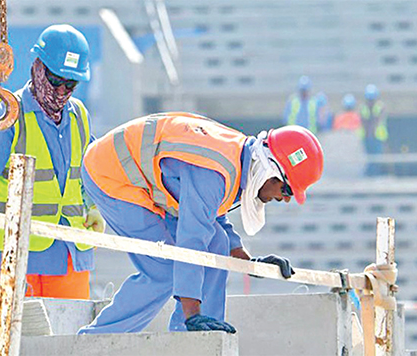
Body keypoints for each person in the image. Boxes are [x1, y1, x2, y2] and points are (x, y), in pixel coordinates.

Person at [78, 112, 324, 334]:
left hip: (139, 177)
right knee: (164, 272)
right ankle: (94, 342)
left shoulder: (238, 159)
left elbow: (212, 217)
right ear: (270, 170)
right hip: (111, 173)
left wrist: (249, 263)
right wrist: (192, 313)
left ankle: (200, 339)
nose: (286, 199)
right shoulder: (215, 172)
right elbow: (192, 238)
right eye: (287, 188)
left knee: (218, 243)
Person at [0, 24, 105, 299]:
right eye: (55, 80)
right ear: (38, 67)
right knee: (26, 340)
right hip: (20, 256)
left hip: (72, 256)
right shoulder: (8, 116)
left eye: (71, 84)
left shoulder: (79, 115)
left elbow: (90, 173)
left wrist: (94, 207)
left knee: (70, 339)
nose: (61, 90)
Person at [359, 84, 388, 176]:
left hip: (378, 136)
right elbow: (364, 122)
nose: (370, 101)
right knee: (369, 156)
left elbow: (377, 120)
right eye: (369, 99)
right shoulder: (363, 108)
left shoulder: (380, 106)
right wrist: (369, 133)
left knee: (377, 156)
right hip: (367, 136)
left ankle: (375, 174)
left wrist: (371, 131)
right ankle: (370, 174)